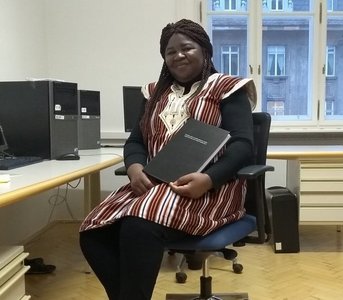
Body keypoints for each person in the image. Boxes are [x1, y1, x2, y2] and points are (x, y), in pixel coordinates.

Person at [79, 18, 257, 300]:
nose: (178, 55)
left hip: (211, 189)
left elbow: (243, 146)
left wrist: (209, 180)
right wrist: (135, 167)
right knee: (94, 230)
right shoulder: (153, 93)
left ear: (205, 51)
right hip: (154, 184)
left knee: (137, 225)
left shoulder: (227, 88)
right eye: (170, 52)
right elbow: (136, 142)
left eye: (187, 48)